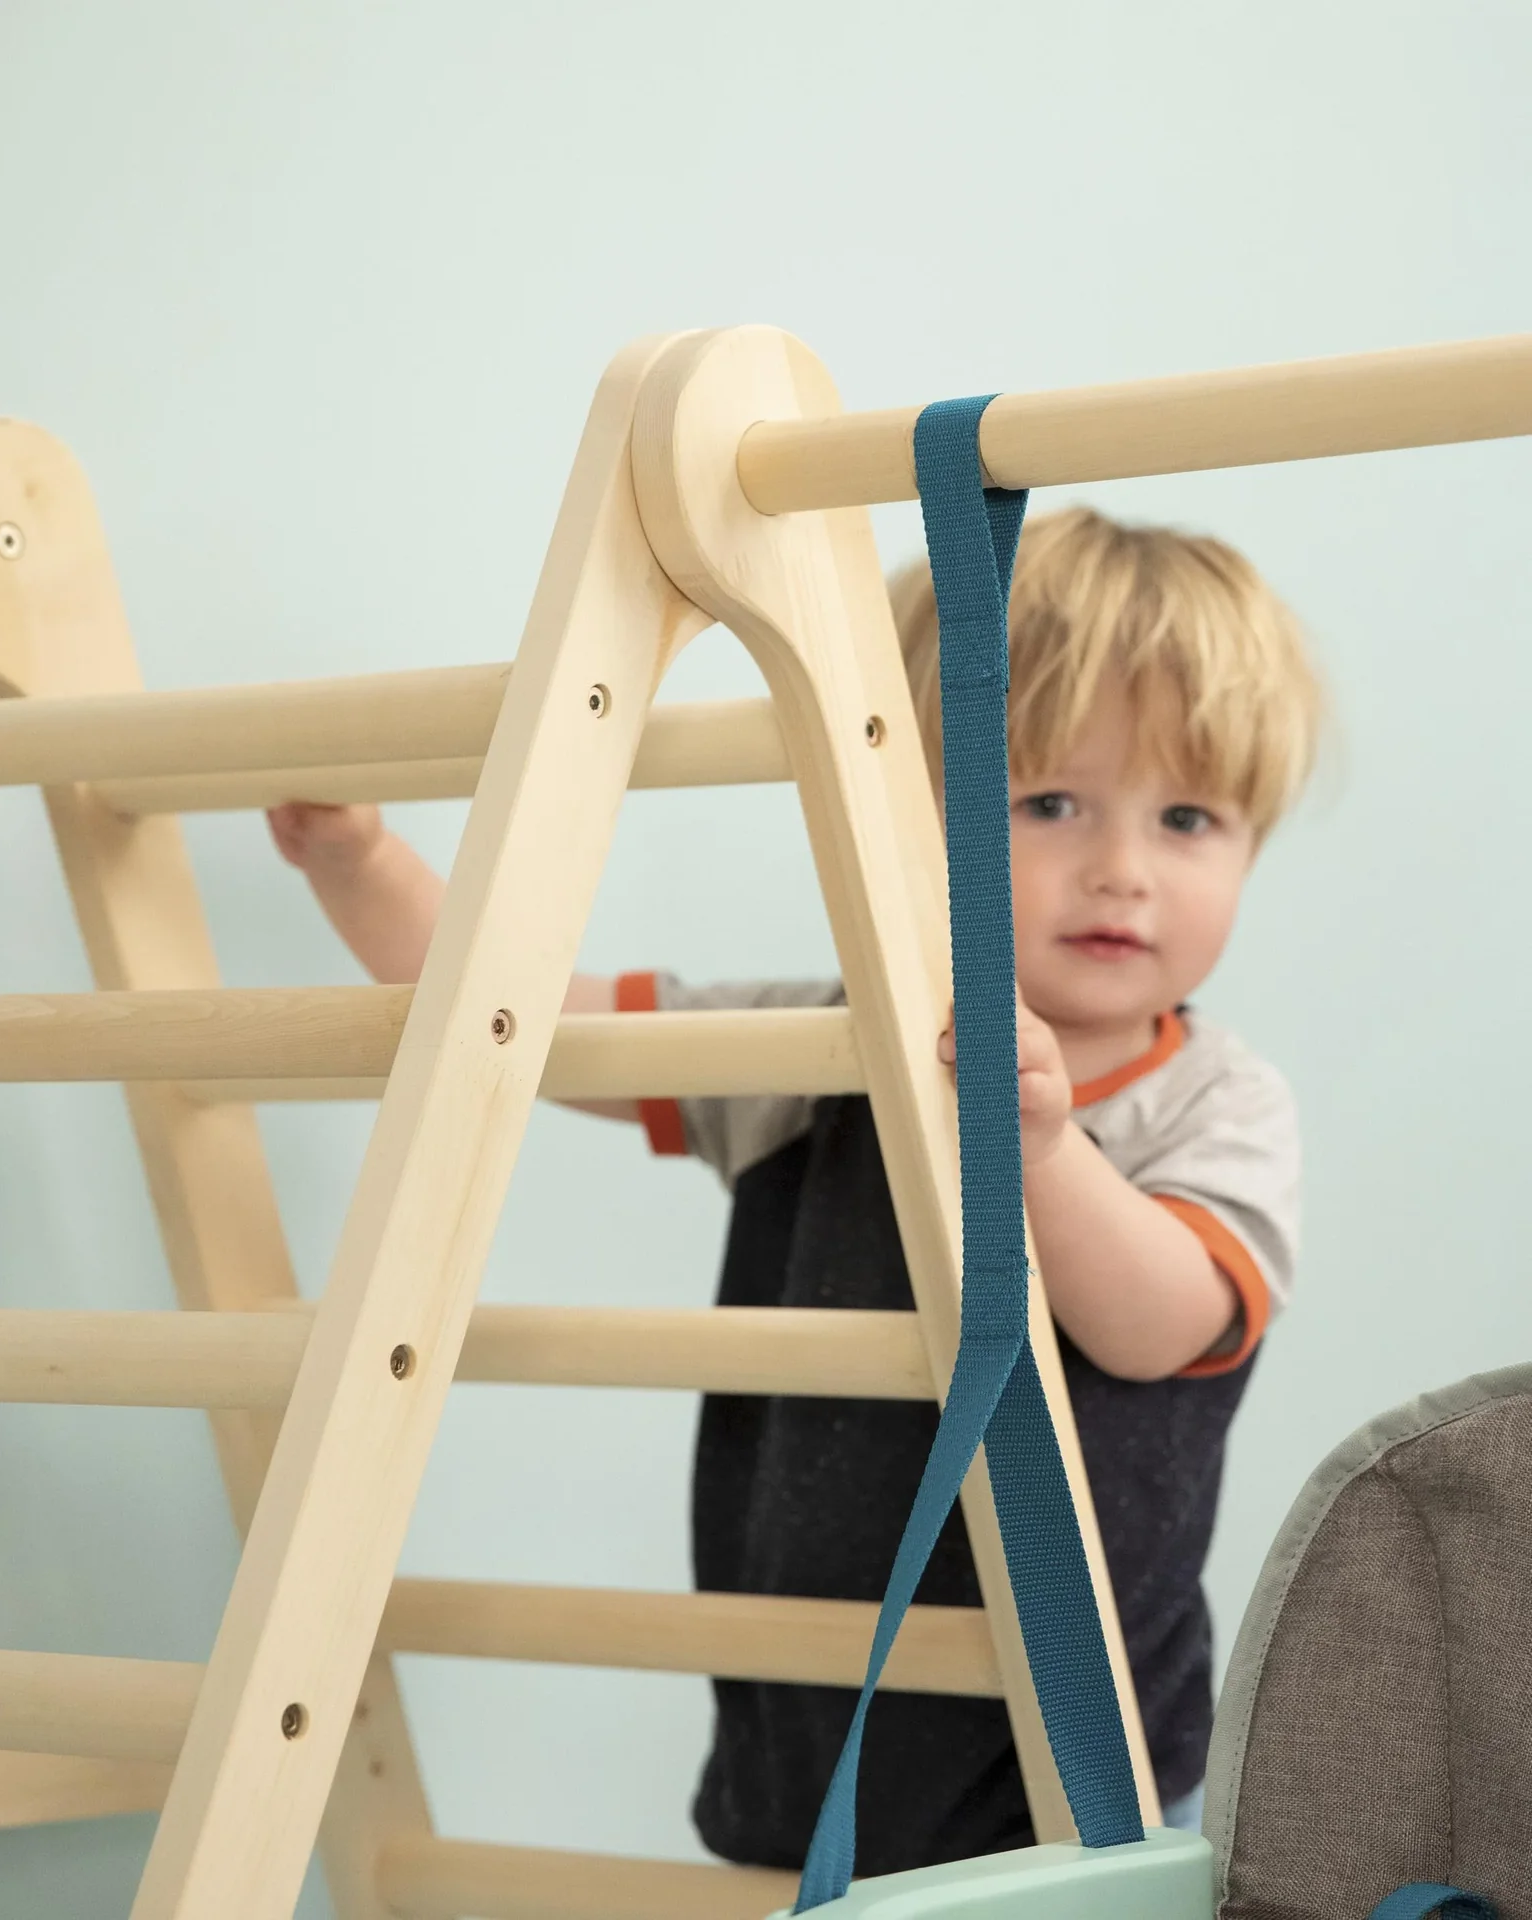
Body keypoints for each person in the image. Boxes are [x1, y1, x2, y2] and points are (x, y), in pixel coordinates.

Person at [267, 505, 1323, 1873]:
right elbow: (531, 1025)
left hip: (1073, 1768)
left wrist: (1045, 1151)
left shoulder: (1217, 1104)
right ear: (906, 817)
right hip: (810, 1733)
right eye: (1048, 801)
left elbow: (1161, 1322)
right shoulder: (821, 1045)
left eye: (1188, 817)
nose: (1122, 866)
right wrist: (362, 863)